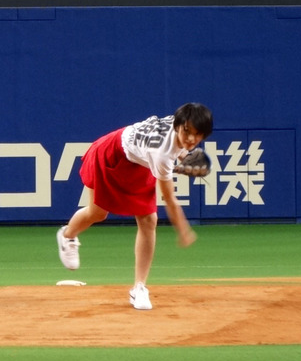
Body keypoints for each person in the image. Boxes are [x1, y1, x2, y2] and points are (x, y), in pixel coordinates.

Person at [56, 102, 213, 310]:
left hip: (138, 164)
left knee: (149, 219)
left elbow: (169, 144)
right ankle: (67, 236)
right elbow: (170, 199)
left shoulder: (176, 129)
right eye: (187, 132)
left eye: (198, 134)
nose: (192, 138)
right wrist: (183, 230)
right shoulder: (162, 154)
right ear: (178, 125)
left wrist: (182, 154)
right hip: (111, 154)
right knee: (97, 213)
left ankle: (139, 287)